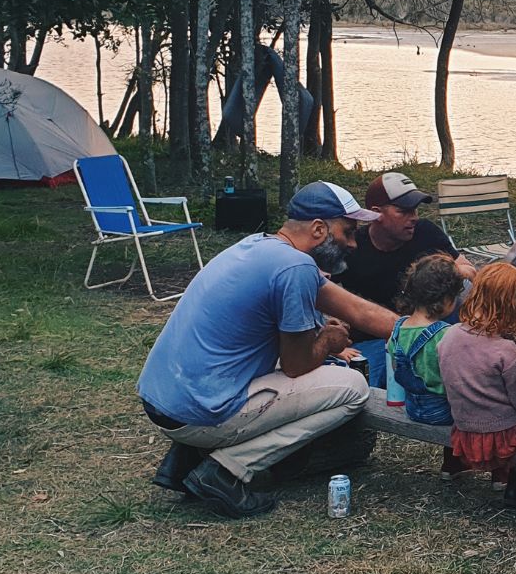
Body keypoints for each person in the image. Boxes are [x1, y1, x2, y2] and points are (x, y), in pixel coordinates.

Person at [138, 182, 397, 518]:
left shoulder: (259, 247)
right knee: (353, 388)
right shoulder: (296, 268)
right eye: (348, 231)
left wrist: (427, 331)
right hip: (198, 411)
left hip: (165, 400)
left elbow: (359, 311)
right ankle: (226, 469)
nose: (352, 243)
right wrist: (329, 342)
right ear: (319, 229)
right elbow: (296, 365)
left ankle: (185, 459)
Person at [437, 262, 516, 511]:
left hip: (465, 429)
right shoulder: (505, 351)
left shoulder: (449, 335)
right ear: (513, 307)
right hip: (500, 435)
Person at [335, 172, 476, 386]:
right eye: (404, 211)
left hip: (435, 329)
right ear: (376, 213)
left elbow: (469, 271)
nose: (414, 217)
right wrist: (335, 346)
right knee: (362, 383)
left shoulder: (426, 232)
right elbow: (316, 291)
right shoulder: (353, 247)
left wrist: (442, 270)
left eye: (416, 210)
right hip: (376, 339)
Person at [386, 253, 471, 480]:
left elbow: (395, 364)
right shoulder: (445, 334)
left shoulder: (398, 327)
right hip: (442, 412)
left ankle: (452, 465)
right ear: (445, 300)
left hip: (413, 408)